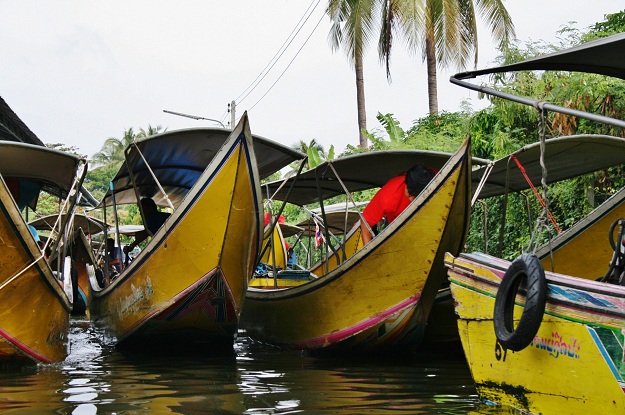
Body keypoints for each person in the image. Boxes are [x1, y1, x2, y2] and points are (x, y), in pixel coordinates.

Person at [359, 164, 437, 245]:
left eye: (417, 197)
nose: (412, 200)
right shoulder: (388, 195)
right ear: (406, 184)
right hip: (395, 225)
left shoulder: (436, 182)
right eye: (410, 195)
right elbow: (365, 223)